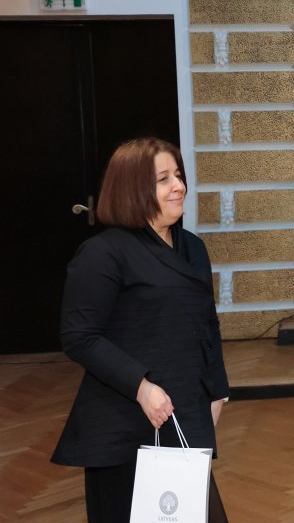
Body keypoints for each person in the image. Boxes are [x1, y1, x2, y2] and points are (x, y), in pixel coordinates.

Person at [51, 137, 230, 523]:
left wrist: (218, 391)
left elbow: (207, 324)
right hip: (124, 423)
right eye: (163, 179)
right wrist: (141, 387)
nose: (179, 186)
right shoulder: (103, 253)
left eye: (178, 175)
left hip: (185, 415)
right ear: (133, 189)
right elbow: (79, 336)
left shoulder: (193, 248)